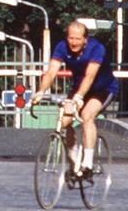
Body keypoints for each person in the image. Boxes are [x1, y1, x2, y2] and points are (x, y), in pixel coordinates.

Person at [31, 19, 116, 177]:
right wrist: (41, 91)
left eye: (77, 39)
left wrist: (79, 96)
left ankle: (88, 163)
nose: (73, 42)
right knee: (64, 121)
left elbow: (90, 76)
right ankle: (74, 158)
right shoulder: (62, 47)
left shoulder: (97, 48)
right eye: (71, 38)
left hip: (102, 89)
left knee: (86, 116)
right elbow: (51, 72)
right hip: (79, 88)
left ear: (85, 39)